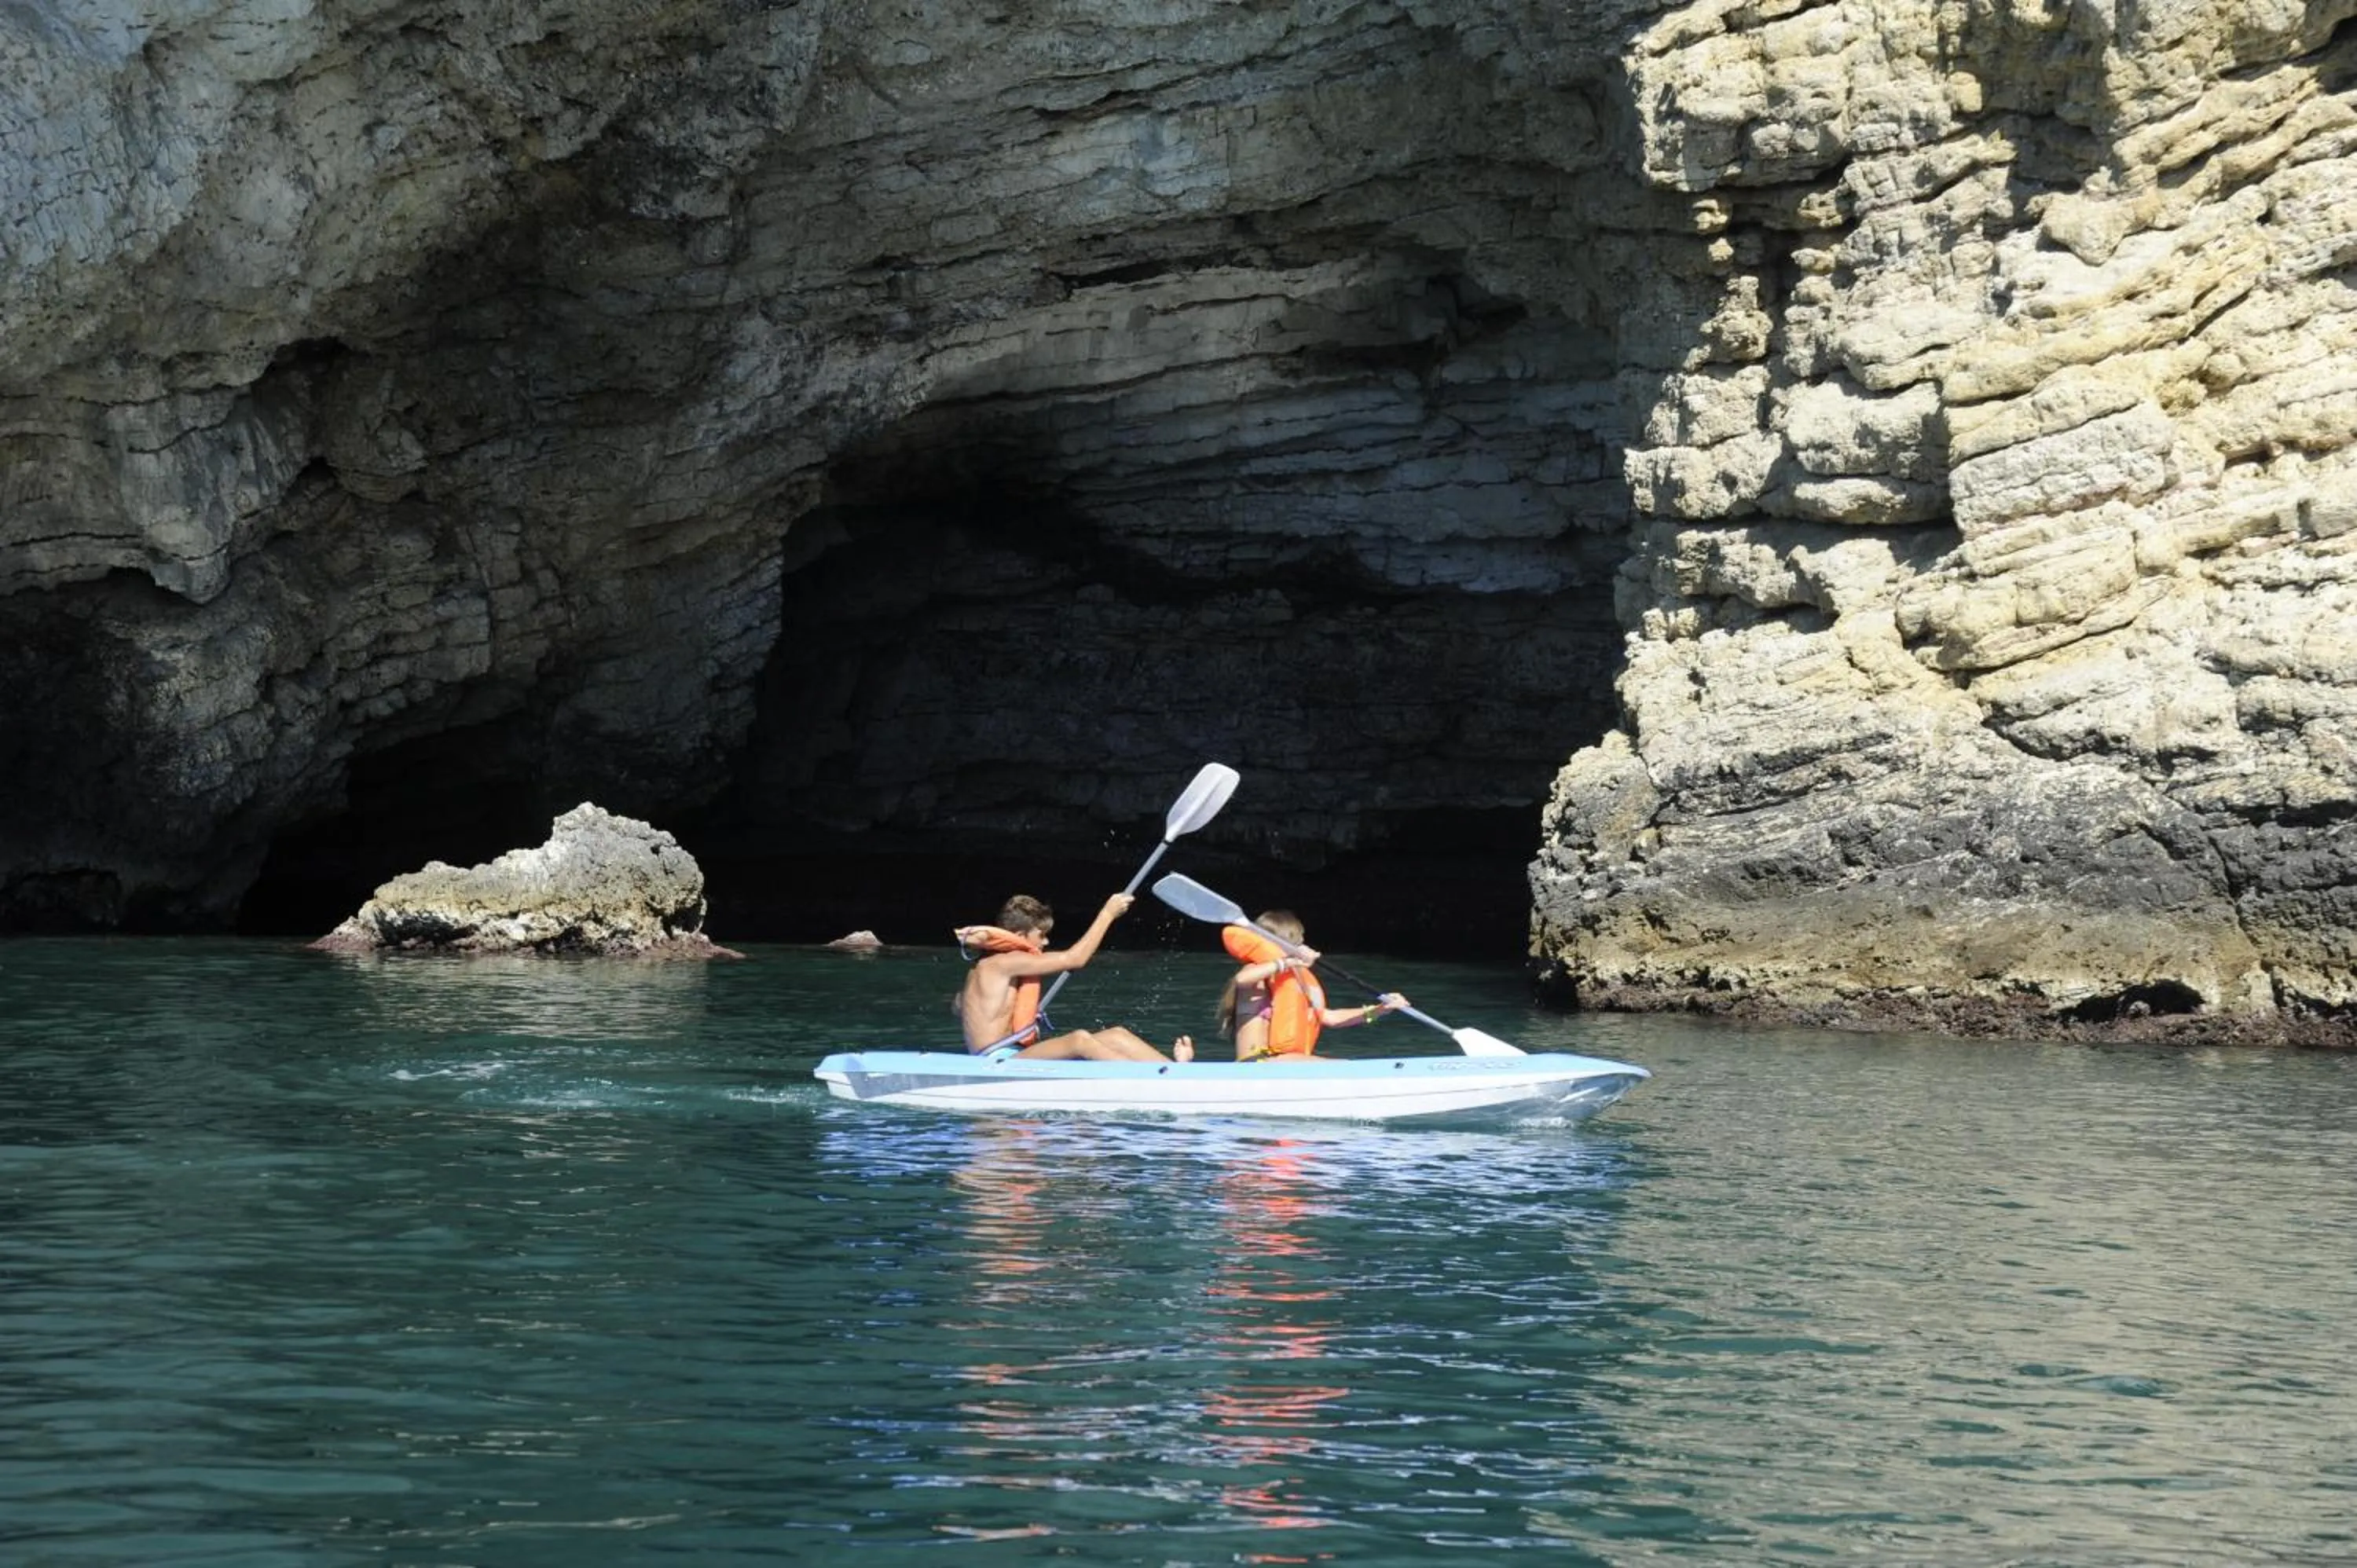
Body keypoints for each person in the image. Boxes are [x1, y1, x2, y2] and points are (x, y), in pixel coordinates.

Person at [956, 892, 1193, 1062]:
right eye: (1041, 935)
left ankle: (1174, 1072)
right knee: (1079, 1040)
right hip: (999, 1059)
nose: (1046, 942)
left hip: (1012, 1054)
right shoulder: (1006, 961)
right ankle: (1150, 1084)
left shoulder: (982, 968)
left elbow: (960, 1007)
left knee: (1116, 1035)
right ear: (1019, 935)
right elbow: (1075, 958)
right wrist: (1107, 914)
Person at [1218, 911, 1407, 1062]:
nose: (1303, 945)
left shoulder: (1296, 980)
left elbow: (1330, 1017)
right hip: (1258, 1063)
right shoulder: (1258, 973)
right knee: (1343, 1068)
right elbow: (1241, 980)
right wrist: (1289, 961)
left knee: (1342, 1066)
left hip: (1285, 1063)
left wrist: (1379, 1010)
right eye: (1298, 942)